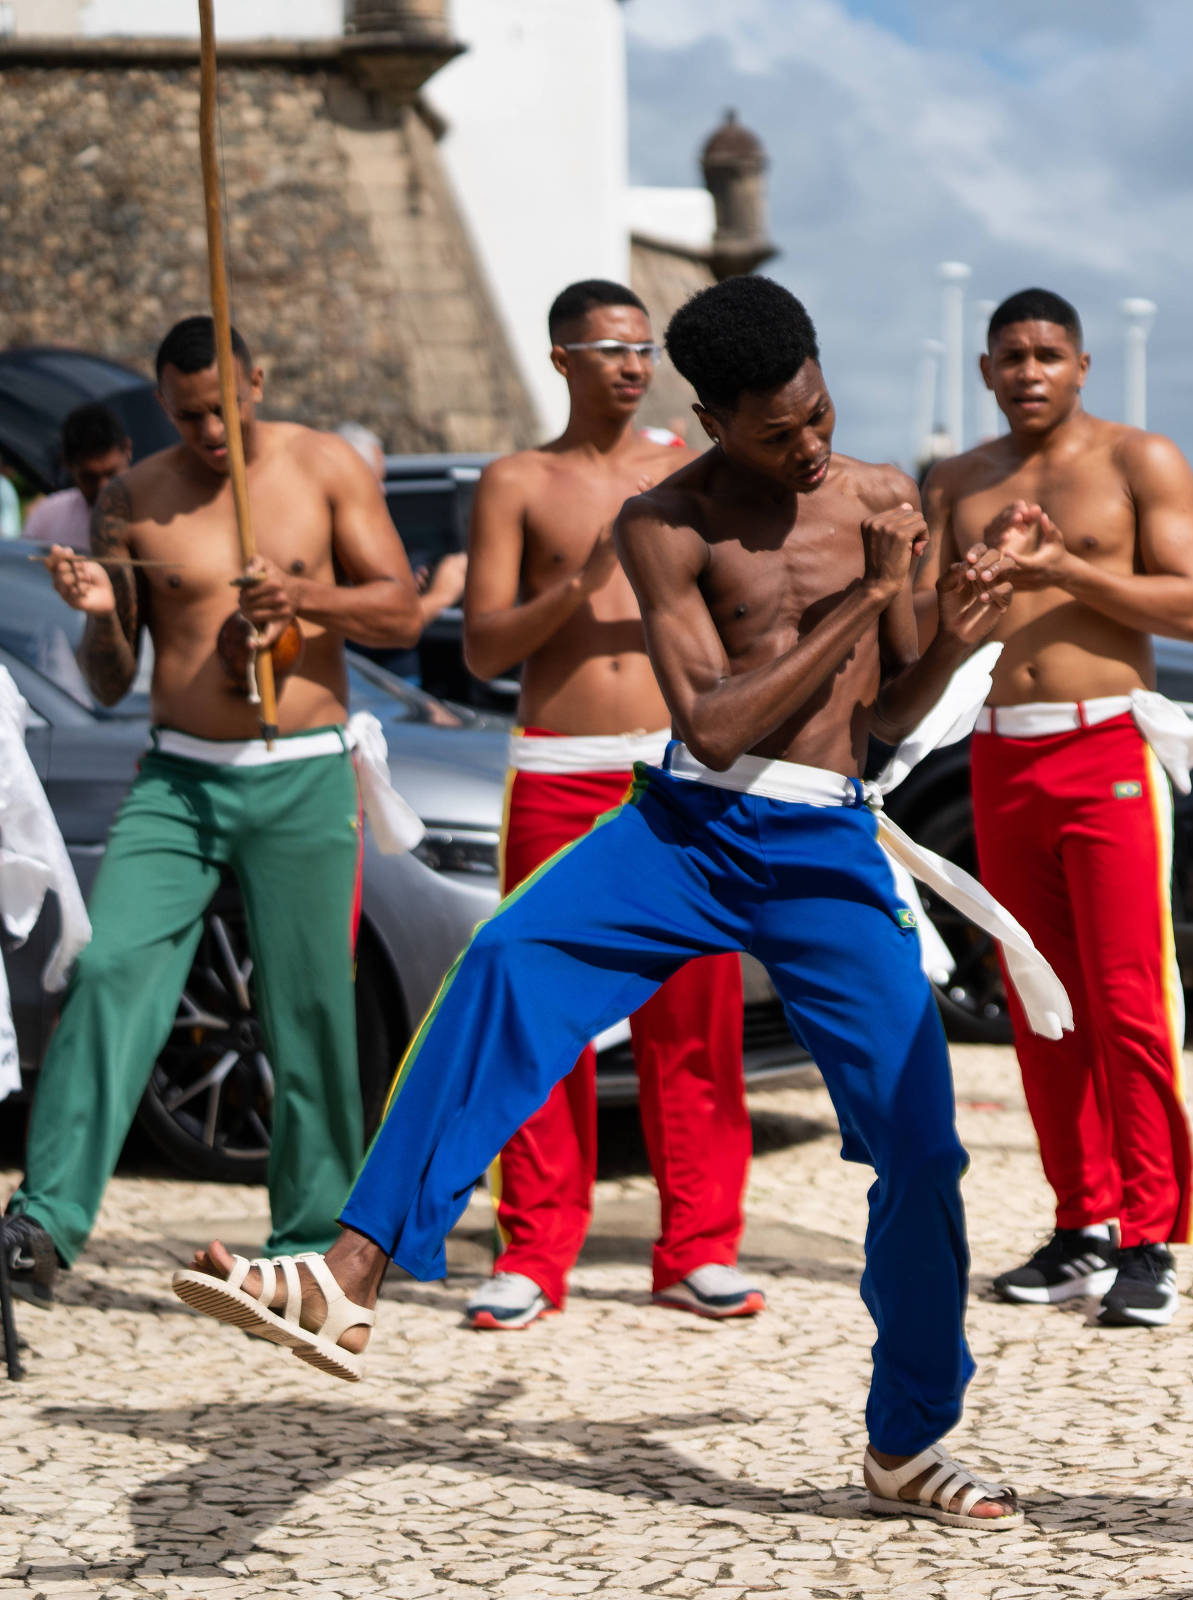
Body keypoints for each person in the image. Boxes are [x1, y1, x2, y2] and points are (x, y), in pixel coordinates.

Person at [168, 273, 1045, 1529]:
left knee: (921, 1143)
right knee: (506, 958)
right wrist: (866, 596)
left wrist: (952, 631)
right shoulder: (663, 524)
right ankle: (347, 1274)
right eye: (776, 431)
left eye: (818, 413)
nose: (808, 445)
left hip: (825, 849)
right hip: (688, 826)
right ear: (714, 421)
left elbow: (887, 715)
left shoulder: (880, 500)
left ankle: (909, 1442)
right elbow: (721, 718)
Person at [0, 315, 422, 1304]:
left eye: (225, 409)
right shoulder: (133, 497)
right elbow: (108, 685)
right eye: (189, 416)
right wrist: (101, 615)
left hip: (304, 769)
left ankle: (313, 1237)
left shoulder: (325, 469)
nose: (211, 432)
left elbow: (402, 609)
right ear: (165, 406)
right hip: (179, 778)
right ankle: (45, 1221)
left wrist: (305, 597)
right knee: (109, 970)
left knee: (310, 1003)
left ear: (258, 382)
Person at [453, 279, 754, 1331]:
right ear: (562, 359)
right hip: (559, 762)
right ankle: (533, 1248)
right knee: (542, 1011)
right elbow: (483, 644)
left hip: (677, 764)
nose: (632, 365)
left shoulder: (688, 471)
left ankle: (699, 1246)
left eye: (644, 347)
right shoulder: (518, 481)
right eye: (610, 348)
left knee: (698, 1009)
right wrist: (582, 582)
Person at [924, 288, 1193, 1329]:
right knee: (1039, 998)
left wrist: (1061, 566)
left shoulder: (1140, 460)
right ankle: (1080, 1224)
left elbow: (1191, 604)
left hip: (1108, 748)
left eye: (1049, 353)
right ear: (985, 371)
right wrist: (953, 597)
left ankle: (1150, 1240)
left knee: (1129, 1000)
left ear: (1082, 365)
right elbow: (926, 627)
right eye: (1011, 356)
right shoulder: (956, 480)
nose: (1030, 371)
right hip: (1002, 756)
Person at [335, 422, 465, 686]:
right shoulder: (333, 542)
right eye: (375, 481)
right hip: (367, 694)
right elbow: (383, 623)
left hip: (395, 689)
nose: (383, 491)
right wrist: (442, 594)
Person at [22, 403, 133, 553]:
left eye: (111, 473)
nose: (103, 486)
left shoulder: (156, 514)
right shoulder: (47, 517)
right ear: (68, 464)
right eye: (90, 477)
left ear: (127, 450)